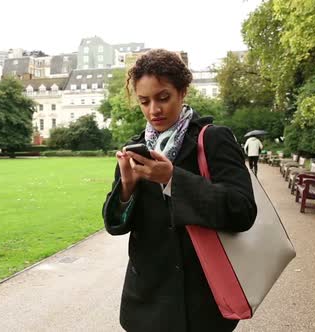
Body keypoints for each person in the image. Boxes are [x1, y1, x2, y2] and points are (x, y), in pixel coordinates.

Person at [102, 49, 257, 332]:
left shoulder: (213, 139)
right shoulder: (136, 149)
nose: (154, 110)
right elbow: (115, 226)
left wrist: (173, 179)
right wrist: (126, 188)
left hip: (200, 302)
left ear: (183, 92)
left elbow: (243, 210)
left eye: (163, 98)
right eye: (144, 101)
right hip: (146, 301)